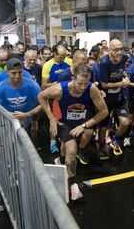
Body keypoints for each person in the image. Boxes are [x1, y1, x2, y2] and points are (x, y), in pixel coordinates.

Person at [37, 63, 109, 201]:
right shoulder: (60, 89)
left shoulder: (91, 89)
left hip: (83, 121)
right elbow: (41, 96)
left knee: (69, 148)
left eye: (85, 83)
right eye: (79, 83)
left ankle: (61, 160)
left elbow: (104, 111)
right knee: (71, 150)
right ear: (73, 78)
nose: (82, 87)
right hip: (66, 123)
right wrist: (51, 117)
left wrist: (84, 125)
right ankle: (72, 183)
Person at [96, 39, 133, 158]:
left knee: (126, 122)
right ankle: (102, 147)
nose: (120, 52)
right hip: (106, 98)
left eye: (121, 49)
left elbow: (122, 71)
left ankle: (115, 140)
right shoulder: (104, 63)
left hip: (119, 96)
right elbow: (104, 84)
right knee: (103, 126)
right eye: (116, 50)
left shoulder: (124, 57)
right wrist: (120, 84)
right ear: (110, 50)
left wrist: (126, 77)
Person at [0, 58, 43, 134]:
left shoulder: (32, 85)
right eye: (13, 73)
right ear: (7, 72)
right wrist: (9, 116)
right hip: (7, 120)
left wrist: (27, 115)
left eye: (20, 72)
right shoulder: (0, 87)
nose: (17, 76)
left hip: (27, 119)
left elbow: (43, 103)